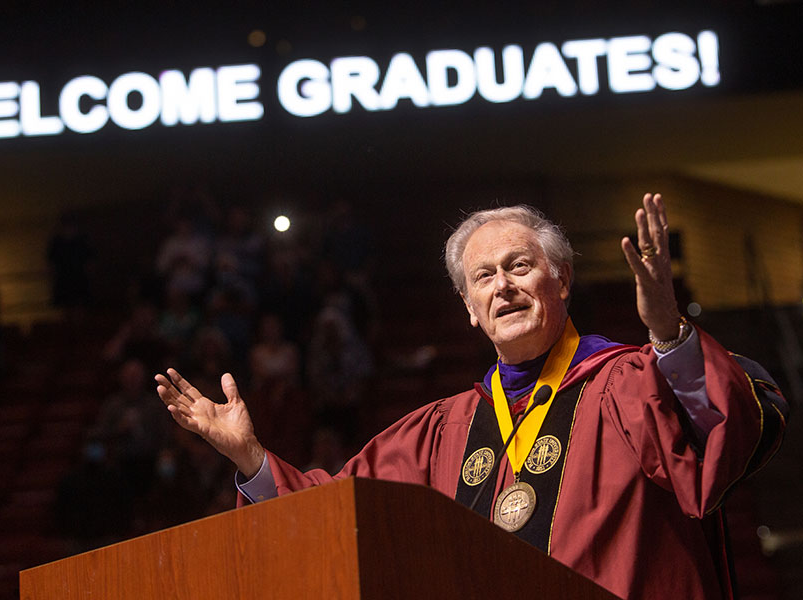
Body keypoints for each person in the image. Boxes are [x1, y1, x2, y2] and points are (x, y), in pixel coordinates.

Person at [155, 194, 788, 600]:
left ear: (561, 279)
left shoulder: (629, 383)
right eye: (483, 277)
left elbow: (720, 435)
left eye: (520, 266)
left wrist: (667, 333)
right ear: (469, 310)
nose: (503, 287)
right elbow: (337, 511)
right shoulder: (437, 434)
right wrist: (252, 459)